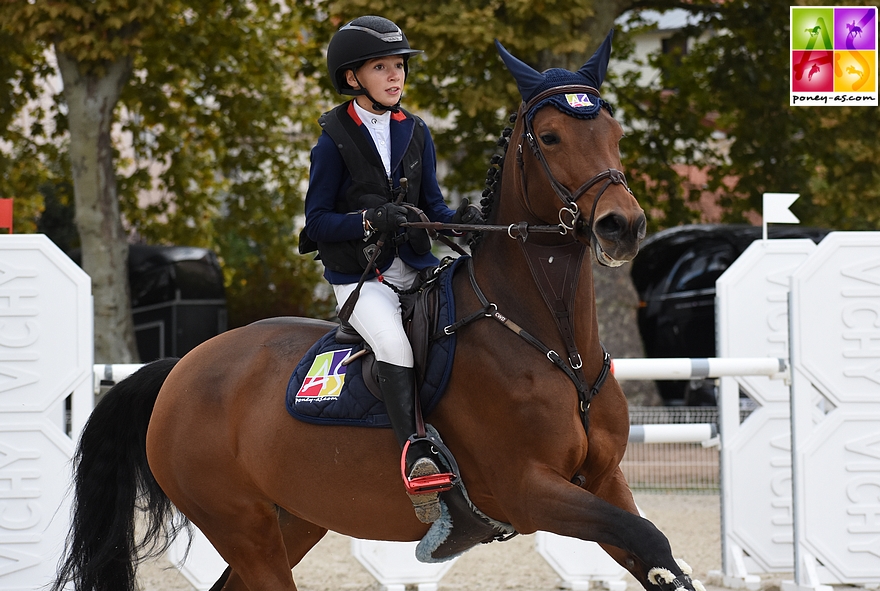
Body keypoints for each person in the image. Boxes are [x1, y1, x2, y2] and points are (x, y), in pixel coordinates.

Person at [300, 15, 482, 523]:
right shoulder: (333, 137)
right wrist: (369, 219)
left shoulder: (416, 131)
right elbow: (317, 223)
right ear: (353, 77)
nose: (396, 76)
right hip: (358, 279)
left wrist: (465, 224)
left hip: (416, 268)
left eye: (399, 66)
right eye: (382, 67)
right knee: (396, 345)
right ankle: (415, 454)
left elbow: (434, 208)